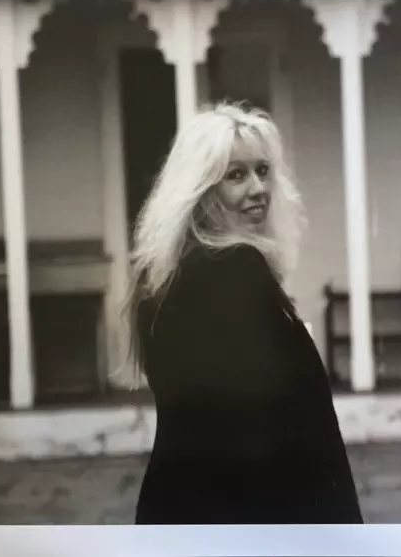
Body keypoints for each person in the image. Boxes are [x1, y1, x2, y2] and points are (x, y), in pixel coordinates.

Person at [115, 102, 363, 525]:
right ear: (200, 189)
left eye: (263, 171)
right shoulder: (236, 269)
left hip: (184, 507)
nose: (258, 188)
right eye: (236, 175)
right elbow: (263, 431)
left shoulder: (166, 276)